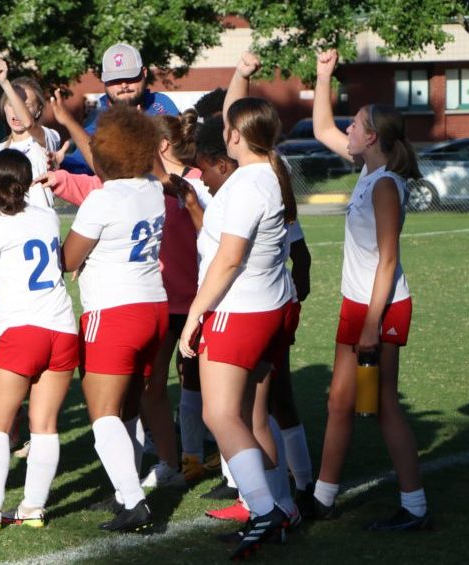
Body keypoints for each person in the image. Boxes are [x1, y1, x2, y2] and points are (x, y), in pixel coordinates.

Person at [177, 52, 299, 559]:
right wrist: (241, 73)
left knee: (220, 414)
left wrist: (193, 315)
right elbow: (234, 111)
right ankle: (283, 508)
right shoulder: (266, 169)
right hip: (267, 305)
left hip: (239, 308)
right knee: (250, 418)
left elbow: (227, 261)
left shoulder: (249, 182)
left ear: (234, 137)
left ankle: (264, 510)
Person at [301, 49, 428, 531]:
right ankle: (324, 499)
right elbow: (319, 130)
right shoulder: (367, 171)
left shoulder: (384, 186)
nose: (346, 130)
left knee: (383, 405)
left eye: (354, 124)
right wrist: (323, 74)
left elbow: (389, 259)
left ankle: (415, 508)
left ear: (372, 136)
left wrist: (373, 323)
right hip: (358, 304)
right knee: (339, 401)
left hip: (382, 308)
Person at [60, 105, 167, 533]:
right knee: (128, 407)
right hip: (153, 306)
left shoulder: (101, 199)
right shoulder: (152, 188)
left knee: (102, 411)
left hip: (114, 310)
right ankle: (127, 490)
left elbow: (69, 258)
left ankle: (134, 501)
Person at [0, 149, 78, 531]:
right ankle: (33, 508)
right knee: (44, 424)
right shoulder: (46, 216)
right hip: (62, 328)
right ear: (27, 182)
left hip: (21, 330)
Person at [139, 111, 209, 490]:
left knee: (197, 386)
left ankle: (195, 456)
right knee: (152, 383)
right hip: (164, 302)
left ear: (162, 145)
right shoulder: (149, 185)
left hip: (197, 302)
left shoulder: (200, 183)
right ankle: (172, 458)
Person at [59, 43, 179, 175]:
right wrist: (59, 164)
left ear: (144, 73)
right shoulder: (98, 118)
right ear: (104, 80)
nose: (123, 85)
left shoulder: (161, 104)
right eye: (115, 80)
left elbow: (185, 152)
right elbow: (80, 165)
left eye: (130, 77)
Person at [0, 56, 59, 207]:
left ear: (38, 110)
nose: (17, 112)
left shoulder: (47, 137)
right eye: (11, 104)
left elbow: (29, 124)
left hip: (40, 225)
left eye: (25, 105)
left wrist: (4, 83)